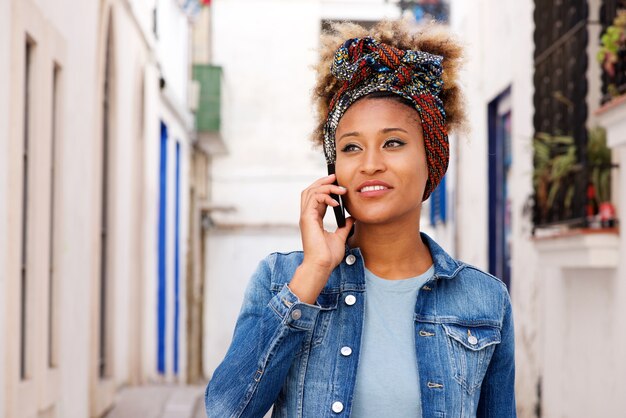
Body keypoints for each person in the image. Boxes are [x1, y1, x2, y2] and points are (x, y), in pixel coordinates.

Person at [205, 20, 516, 418]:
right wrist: (313, 273)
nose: (370, 164)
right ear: (335, 169)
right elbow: (226, 410)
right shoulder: (281, 278)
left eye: (393, 143)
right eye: (351, 147)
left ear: (432, 159)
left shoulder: (485, 300)